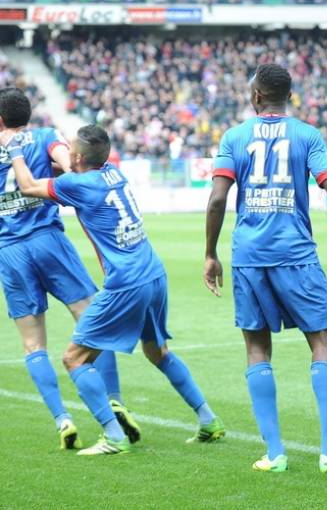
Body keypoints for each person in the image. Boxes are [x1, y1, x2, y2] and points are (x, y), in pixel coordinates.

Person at [204, 63, 327, 473]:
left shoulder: (234, 137)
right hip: (296, 254)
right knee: (324, 341)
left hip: (248, 258)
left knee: (257, 348)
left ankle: (274, 454)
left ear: (256, 96)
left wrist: (211, 253)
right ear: (288, 97)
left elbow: (218, 200)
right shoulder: (306, 135)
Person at [5, 124, 224, 455]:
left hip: (126, 284)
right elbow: (66, 168)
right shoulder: (113, 173)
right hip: (154, 273)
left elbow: (29, 185)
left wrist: (17, 151)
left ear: (76, 157)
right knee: (157, 352)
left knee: (74, 359)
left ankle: (112, 436)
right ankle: (208, 420)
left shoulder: (77, 185)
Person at [0, 87, 136, 450]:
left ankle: (62, 419)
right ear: (27, 113)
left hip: (10, 250)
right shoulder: (44, 136)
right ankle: (113, 399)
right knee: (92, 321)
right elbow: (72, 163)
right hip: (49, 241)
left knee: (32, 344)